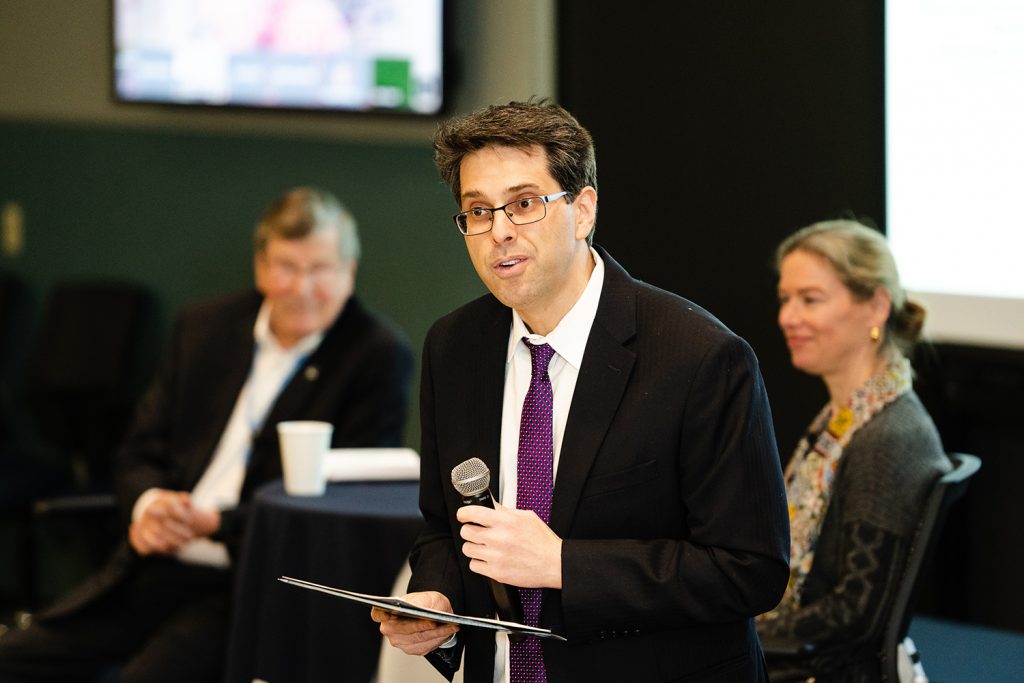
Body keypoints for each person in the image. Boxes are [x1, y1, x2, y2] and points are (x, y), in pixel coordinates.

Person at [372, 100, 790, 682]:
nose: (499, 233)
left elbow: (751, 569)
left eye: (523, 204)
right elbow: (445, 529)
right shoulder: (455, 346)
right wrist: (437, 601)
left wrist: (564, 564)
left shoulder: (699, 357)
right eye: (477, 211)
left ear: (583, 209)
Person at [0, 186, 414, 681]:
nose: (303, 287)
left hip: (248, 581)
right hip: (152, 561)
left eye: (321, 269)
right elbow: (139, 446)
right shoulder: (205, 327)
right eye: (287, 266)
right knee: (16, 659)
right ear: (261, 267)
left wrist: (215, 522)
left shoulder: (375, 353)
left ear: (349, 272)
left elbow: (339, 502)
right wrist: (149, 504)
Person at [756, 220, 951, 682]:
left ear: (876, 306)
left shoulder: (888, 438)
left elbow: (854, 615)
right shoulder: (849, 418)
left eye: (810, 299)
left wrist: (739, 630)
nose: (788, 317)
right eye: (785, 299)